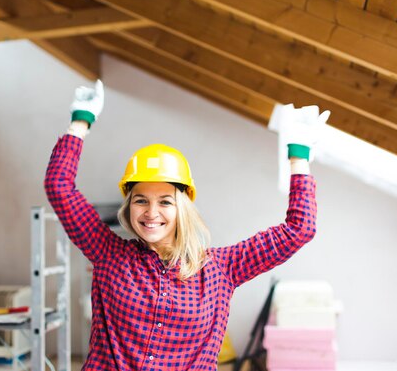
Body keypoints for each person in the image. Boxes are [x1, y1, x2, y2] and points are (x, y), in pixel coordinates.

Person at [44, 80, 330, 371]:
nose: (151, 212)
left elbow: (300, 228)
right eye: (141, 200)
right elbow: (58, 186)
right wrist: (80, 120)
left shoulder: (222, 268)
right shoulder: (108, 253)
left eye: (165, 202)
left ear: (182, 207)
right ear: (129, 206)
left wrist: (299, 152)